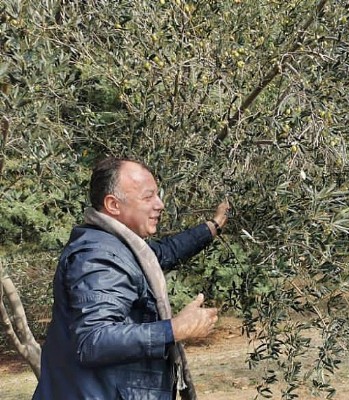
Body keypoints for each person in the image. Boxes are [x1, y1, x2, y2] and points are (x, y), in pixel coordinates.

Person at [33, 157, 228, 400]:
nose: (160, 204)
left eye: (157, 195)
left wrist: (212, 227)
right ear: (113, 205)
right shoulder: (99, 256)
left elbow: (166, 252)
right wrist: (173, 329)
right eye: (148, 197)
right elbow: (93, 340)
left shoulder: (121, 248)